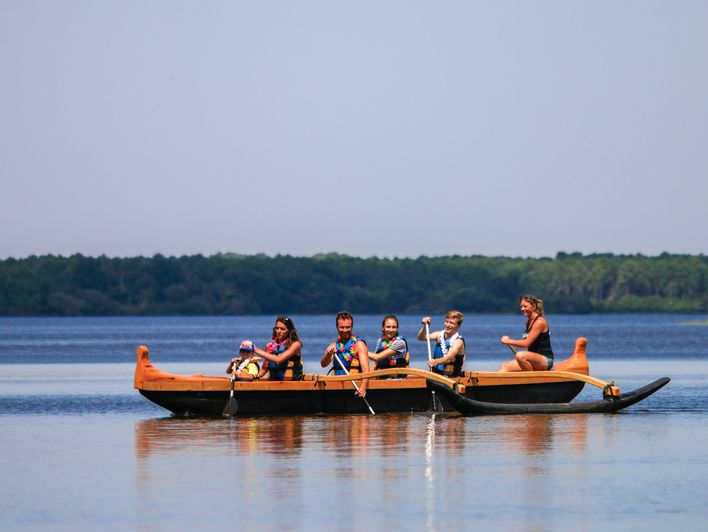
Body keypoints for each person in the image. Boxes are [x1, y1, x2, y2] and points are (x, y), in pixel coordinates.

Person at [321, 311, 371, 397]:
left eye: (348, 327)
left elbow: (366, 370)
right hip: (337, 386)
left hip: (353, 386)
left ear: (352, 327)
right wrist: (328, 354)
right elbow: (323, 364)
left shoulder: (359, 345)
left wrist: (363, 387)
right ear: (337, 327)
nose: (345, 330)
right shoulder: (334, 345)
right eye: (342, 327)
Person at [498, 295, 554, 371]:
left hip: (545, 360)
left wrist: (508, 341)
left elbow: (526, 343)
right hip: (533, 359)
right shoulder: (527, 322)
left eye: (525, 306)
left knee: (520, 356)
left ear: (533, 307)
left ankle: (532, 380)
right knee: (504, 367)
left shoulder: (540, 322)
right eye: (521, 306)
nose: (522, 309)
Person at [252, 316, 304, 380]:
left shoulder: (296, 344)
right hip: (274, 383)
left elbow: (278, 359)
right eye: (277, 328)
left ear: (289, 331)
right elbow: (264, 369)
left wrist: (257, 350)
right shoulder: (269, 345)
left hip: (293, 383)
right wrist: (252, 376)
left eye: (282, 329)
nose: (279, 331)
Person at [417, 311, 466, 377]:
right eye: (447, 321)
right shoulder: (438, 335)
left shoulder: (458, 341)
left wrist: (435, 361)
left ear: (458, 326)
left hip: (452, 377)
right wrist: (425, 327)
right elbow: (421, 337)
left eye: (452, 323)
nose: (448, 325)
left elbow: (449, 358)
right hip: (436, 374)